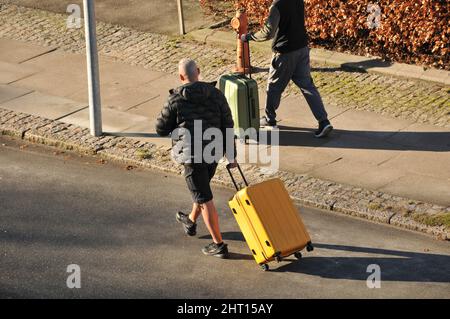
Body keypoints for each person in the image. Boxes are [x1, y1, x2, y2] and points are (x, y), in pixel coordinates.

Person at [155, 58, 236, 259]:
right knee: (202, 190)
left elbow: (160, 129)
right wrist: (231, 154)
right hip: (213, 152)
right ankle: (191, 220)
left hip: (192, 156)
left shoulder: (175, 100)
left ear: (181, 77)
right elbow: (228, 124)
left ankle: (219, 245)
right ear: (198, 72)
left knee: (204, 198)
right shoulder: (216, 95)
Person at [241, 0, 333, 138]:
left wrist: (249, 37)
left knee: (273, 87)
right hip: (302, 48)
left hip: (285, 53)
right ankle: (323, 121)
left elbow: (268, 32)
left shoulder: (277, 6)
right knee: (308, 86)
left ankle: (270, 119)